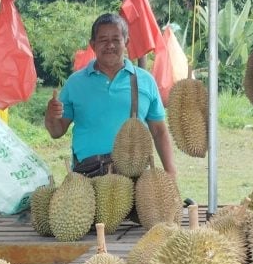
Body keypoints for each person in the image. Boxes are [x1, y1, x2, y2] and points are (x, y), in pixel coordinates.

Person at [45, 13, 177, 178]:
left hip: (133, 178)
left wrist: (170, 171)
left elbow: (159, 131)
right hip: (87, 178)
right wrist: (51, 116)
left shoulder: (146, 81)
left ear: (126, 42)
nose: (110, 45)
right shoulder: (75, 83)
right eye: (103, 40)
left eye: (116, 39)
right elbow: (56, 131)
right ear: (93, 45)